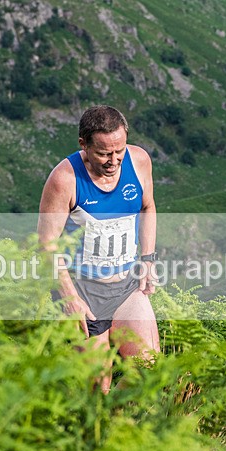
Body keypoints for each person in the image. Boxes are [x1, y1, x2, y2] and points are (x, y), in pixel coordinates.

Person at [38, 105, 160, 393]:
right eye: (104, 153)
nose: (113, 160)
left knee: (148, 369)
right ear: (84, 144)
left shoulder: (139, 161)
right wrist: (68, 297)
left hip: (125, 284)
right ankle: (95, 432)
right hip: (83, 290)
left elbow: (148, 207)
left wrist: (148, 259)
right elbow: (45, 244)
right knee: (97, 383)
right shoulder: (64, 179)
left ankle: (119, 429)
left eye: (119, 150)